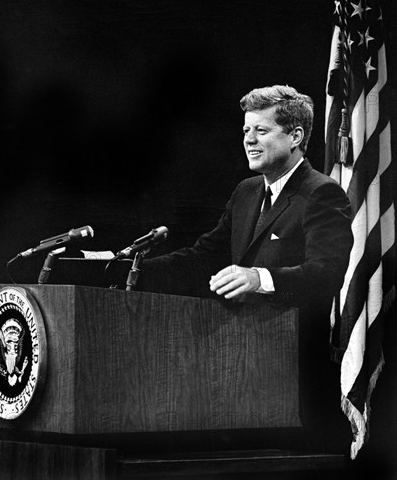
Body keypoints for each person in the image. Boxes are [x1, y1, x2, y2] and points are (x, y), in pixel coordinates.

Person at [140, 84, 354, 452]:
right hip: (237, 372)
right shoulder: (247, 192)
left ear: (296, 136)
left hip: (296, 376)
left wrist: (259, 278)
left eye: (262, 130)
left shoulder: (321, 193)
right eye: (245, 131)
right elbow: (202, 255)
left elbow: (327, 272)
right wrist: (128, 268)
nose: (249, 140)